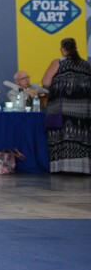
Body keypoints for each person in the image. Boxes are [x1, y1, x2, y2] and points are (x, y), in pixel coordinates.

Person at [41, 37, 91, 174]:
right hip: (83, 111)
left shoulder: (58, 62)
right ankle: (82, 167)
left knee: (62, 135)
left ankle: (63, 167)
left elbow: (45, 82)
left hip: (62, 108)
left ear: (63, 49)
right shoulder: (86, 65)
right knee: (82, 135)